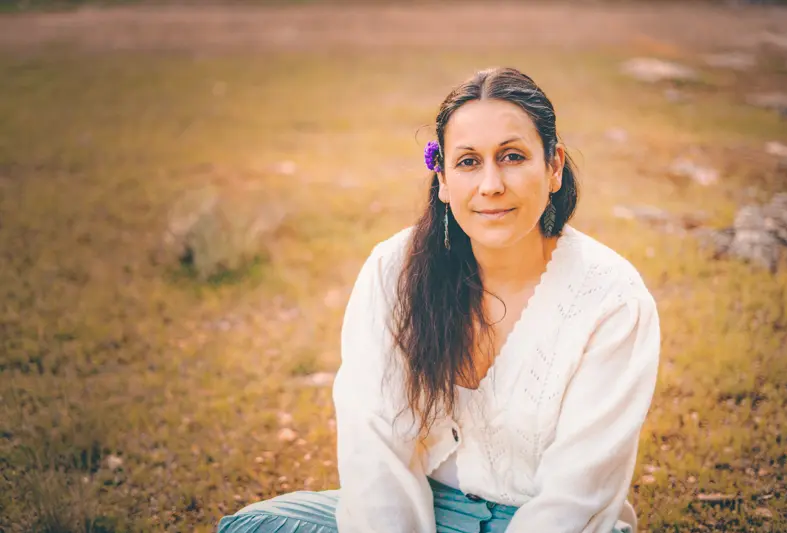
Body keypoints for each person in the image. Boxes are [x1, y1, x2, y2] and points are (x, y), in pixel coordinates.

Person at [217, 67, 660, 533]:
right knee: (251, 525)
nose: (491, 184)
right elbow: (376, 447)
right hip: (429, 508)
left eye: (512, 156)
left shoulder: (611, 297)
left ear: (553, 167)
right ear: (443, 179)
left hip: (544, 521)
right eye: (468, 162)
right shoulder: (394, 269)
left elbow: (576, 498)